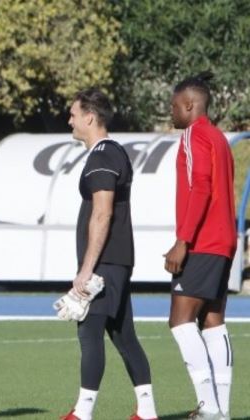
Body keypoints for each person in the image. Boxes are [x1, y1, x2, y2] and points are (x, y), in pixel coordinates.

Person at [60, 88, 158, 420]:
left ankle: (83, 413)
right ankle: (147, 410)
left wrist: (86, 269)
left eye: (73, 114)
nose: (69, 120)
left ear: (90, 117)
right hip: (115, 261)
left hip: (105, 263)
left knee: (89, 331)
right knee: (123, 334)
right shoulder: (111, 152)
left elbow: (103, 214)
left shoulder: (102, 156)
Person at [164, 72, 236, 420]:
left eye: (174, 106)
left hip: (203, 242)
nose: (171, 111)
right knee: (213, 322)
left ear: (190, 105)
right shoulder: (220, 138)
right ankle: (220, 407)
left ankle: (209, 406)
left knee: (180, 321)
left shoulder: (195, 135)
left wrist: (183, 241)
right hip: (224, 242)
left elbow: (201, 187)